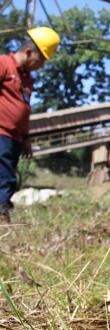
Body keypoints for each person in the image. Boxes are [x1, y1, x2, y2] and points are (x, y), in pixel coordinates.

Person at [0, 27, 60, 224]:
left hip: (15, 138)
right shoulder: (4, 65)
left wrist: (26, 138)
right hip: (1, 133)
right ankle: (1, 215)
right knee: (4, 177)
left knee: (9, 176)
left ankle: (3, 210)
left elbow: (24, 110)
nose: (41, 66)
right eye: (41, 59)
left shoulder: (27, 79)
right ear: (28, 52)